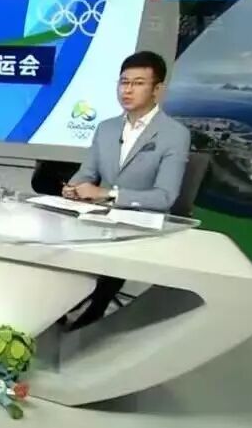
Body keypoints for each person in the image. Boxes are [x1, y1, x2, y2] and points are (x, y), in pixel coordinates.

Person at [61, 50, 191, 331]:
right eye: (124, 82)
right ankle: (60, 306)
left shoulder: (175, 134)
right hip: (101, 218)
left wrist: (109, 194)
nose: (127, 90)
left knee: (111, 251)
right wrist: (72, 187)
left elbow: (165, 197)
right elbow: (87, 173)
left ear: (157, 90)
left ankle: (93, 314)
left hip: (140, 222)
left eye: (138, 83)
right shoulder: (106, 128)